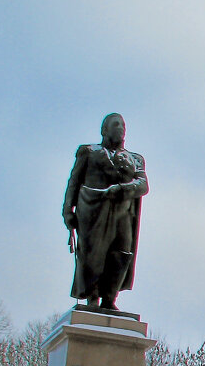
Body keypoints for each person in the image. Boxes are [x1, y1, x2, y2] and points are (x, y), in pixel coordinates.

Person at [62, 113, 148, 310]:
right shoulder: (89, 152)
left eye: (123, 126)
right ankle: (92, 296)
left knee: (122, 253)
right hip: (92, 210)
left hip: (122, 213)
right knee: (93, 254)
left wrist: (123, 189)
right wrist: (68, 210)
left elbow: (143, 184)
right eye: (116, 125)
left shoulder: (135, 159)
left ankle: (110, 298)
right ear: (104, 130)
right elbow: (74, 182)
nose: (121, 129)